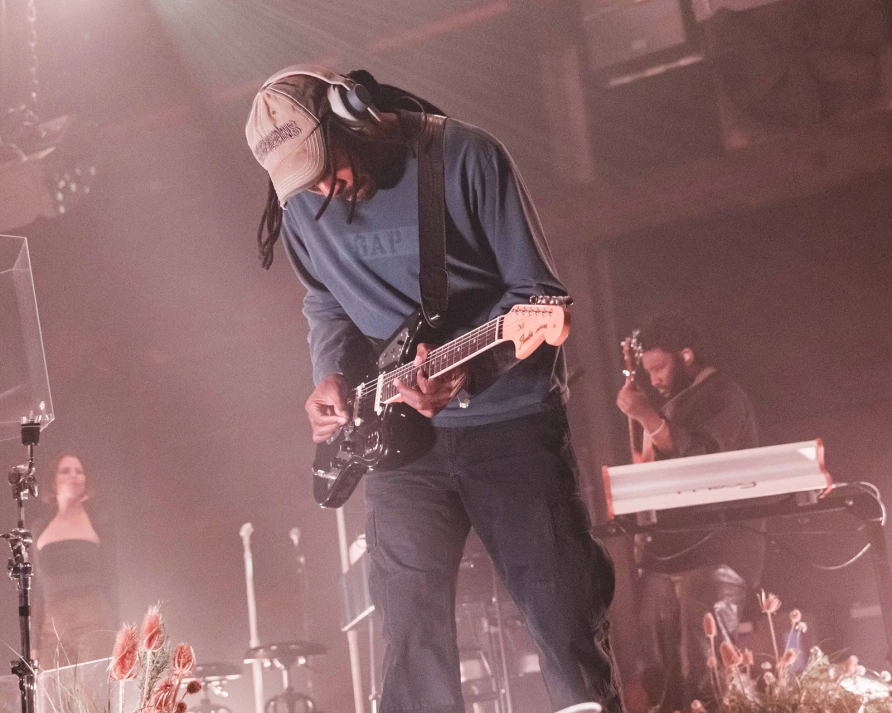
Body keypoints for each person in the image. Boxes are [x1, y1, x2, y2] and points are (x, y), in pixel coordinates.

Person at [246, 66, 624, 712]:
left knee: (562, 618)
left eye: (328, 168)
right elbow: (325, 300)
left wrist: (470, 372)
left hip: (512, 425)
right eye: (305, 186)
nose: (325, 194)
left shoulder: (464, 157)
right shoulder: (304, 207)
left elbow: (539, 300)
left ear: (352, 115)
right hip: (401, 439)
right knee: (408, 633)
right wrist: (329, 374)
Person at [615, 314, 761, 712]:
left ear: (687, 356)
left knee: (708, 664)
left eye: (660, 367)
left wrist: (647, 416)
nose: (656, 379)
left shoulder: (723, 396)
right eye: (648, 371)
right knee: (656, 663)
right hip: (669, 554)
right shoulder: (673, 402)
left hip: (718, 551)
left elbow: (703, 461)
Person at [34, 455, 118, 668]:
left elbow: (112, 579)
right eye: (65, 470)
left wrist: (119, 630)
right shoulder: (40, 527)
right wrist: (34, 641)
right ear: (53, 482)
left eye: (78, 471)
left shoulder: (100, 522)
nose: (73, 475)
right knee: (54, 694)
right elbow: (38, 587)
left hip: (91, 617)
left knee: (91, 694)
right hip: (51, 623)